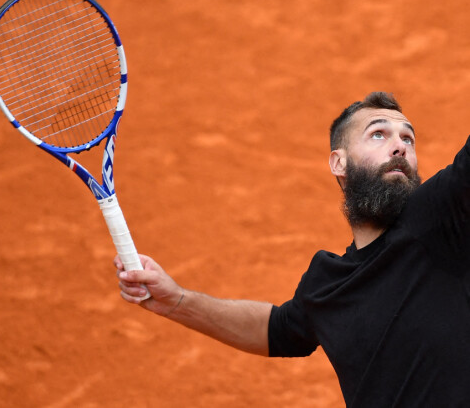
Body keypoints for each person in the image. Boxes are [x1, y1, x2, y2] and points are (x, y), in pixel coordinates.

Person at [115, 92, 470, 407]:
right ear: (338, 163)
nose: (400, 146)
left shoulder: (438, 219)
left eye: (408, 138)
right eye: (378, 134)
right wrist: (177, 301)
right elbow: (279, 329)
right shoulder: (328, 282)